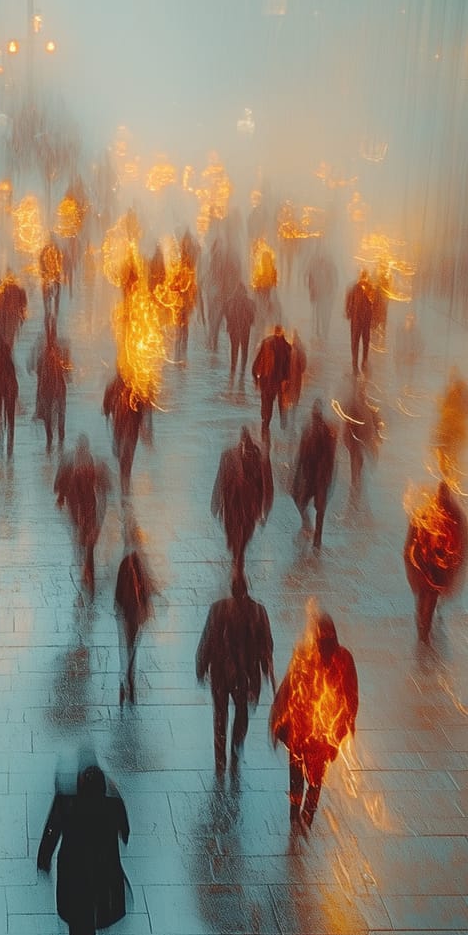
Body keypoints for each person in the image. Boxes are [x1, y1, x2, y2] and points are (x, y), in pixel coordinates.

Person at [36, 764, 130, 935]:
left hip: (73, 879)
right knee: (90, 923)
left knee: (79, 929)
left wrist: (44, 860)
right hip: (102, 876)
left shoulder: (67, 804)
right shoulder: (112, 806)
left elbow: (51, 832)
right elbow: (126, 832)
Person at [270, 608, 359, 832]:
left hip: (322, 732)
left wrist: (344, 725)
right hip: (301, 729)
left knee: (316, 777)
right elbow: (289, 686)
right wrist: (279, 717)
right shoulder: (304, 655)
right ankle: (295, 812)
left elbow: (351, 695)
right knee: (298, 772)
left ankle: (308, 813)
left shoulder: (343, 658)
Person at [196, 574, 276, 770]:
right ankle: (235, 748)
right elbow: (267, 645)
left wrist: (201, 665)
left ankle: (221, 758)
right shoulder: (258, 611)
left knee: (220, 715)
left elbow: (207, 638)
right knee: (241, 713)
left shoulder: (218, 609)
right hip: (246, 676)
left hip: (221, 672)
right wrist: (265, 670)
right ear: (247, 590)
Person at [404, 481, 468, 644]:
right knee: (424, 596)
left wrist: (456, 564)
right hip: (424, 562)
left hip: (438, 566)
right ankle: (423, 626)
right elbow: (411, 538)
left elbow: (461, 542)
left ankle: (424, 629)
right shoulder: (426, 513)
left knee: (429, 595)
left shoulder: (455, 515)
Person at [211, 427, 274, 578]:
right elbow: (220, 479)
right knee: (233, 534)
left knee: (245, 534)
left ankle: (239, 560)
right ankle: (237, 558)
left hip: (250, 505)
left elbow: (267, 485)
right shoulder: (228, 455)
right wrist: (217, 502)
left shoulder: (261, 458)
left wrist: (265, 507)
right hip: (232, 504)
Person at [54, 438, 113, 595]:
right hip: (76, 505)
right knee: (83, 536)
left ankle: (88, 566)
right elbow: (61, 480)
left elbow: (103, 490)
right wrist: (61, 496)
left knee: (89, 541)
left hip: (88, 506)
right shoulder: (70, 463)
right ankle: (86, 560)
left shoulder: (93, 466)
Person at [112, 533, 156, 704]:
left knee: (127, 645)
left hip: (128, 612)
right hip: (134, 613)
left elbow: (119, 591)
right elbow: (147, 589)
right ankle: (129, 675)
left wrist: (118, 606)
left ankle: (127, 677)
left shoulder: (126, 564)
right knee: (132, 645)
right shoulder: (139, 565)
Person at [291, 401, 337, 549]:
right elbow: (301, 454)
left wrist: (327, 477)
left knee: (320, 508)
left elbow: (330, 457)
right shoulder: (308, 430)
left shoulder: (328, 432)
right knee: (300, 500)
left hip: (320, 477)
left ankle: (318, 538)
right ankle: (307, 524)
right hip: (309, 475)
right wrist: (298, 473)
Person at [102, 371, 153, 493]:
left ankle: (124, 483)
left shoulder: (113, 385)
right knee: (126, 456)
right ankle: (125, 484)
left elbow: (105, 409)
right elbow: (144, 410)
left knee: (122, 454)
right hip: (130, 427)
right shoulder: (136, 385)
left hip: (122, 426)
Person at [252, 326, 293, 442]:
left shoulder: (267, 343)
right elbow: (288, 369)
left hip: (269, 382)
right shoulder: (287, 347)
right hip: (276, 382)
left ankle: (266, 432)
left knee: (266, 413)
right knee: (278, 406)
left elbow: (256, 364)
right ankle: (280, 423)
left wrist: (256, 378)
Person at [34, 319, 69, 453]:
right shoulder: (45, 355)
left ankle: (58, 438)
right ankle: (53, 438)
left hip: (55, 386)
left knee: (60, 411)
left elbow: (66, 370)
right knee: (58, 412)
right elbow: (40, 375)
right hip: (50, 387)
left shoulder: (58, 353)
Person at [434, 370, 468, 478]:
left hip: (453, 426)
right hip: (453, 426)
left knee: (448, 451)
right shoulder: (457, 392)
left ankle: (447, 472)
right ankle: (448, 471)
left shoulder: (452, 392)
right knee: (450, 451)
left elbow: (442, 408)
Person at [344, 271, 377, 373]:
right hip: (356, 319)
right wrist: (348, 312)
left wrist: (374, 318)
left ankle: (364, 362)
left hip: (366, 319)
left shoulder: (371, 288)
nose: (363, 279)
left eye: (365, 277)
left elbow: (374, 303)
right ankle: (355, 365)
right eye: (362, 277)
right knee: (355, 342)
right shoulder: (354, 288)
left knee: (365, 341)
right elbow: (348, 301)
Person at [223, 286, 255, 384]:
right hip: (242, 330)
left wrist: (230, 324)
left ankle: (234, 371)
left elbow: (226, 314)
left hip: (236, 330)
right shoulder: (250, 303)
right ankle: (241, 372)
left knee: (236, 349)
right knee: (243, 350)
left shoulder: (230, 302)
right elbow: (252, 318)